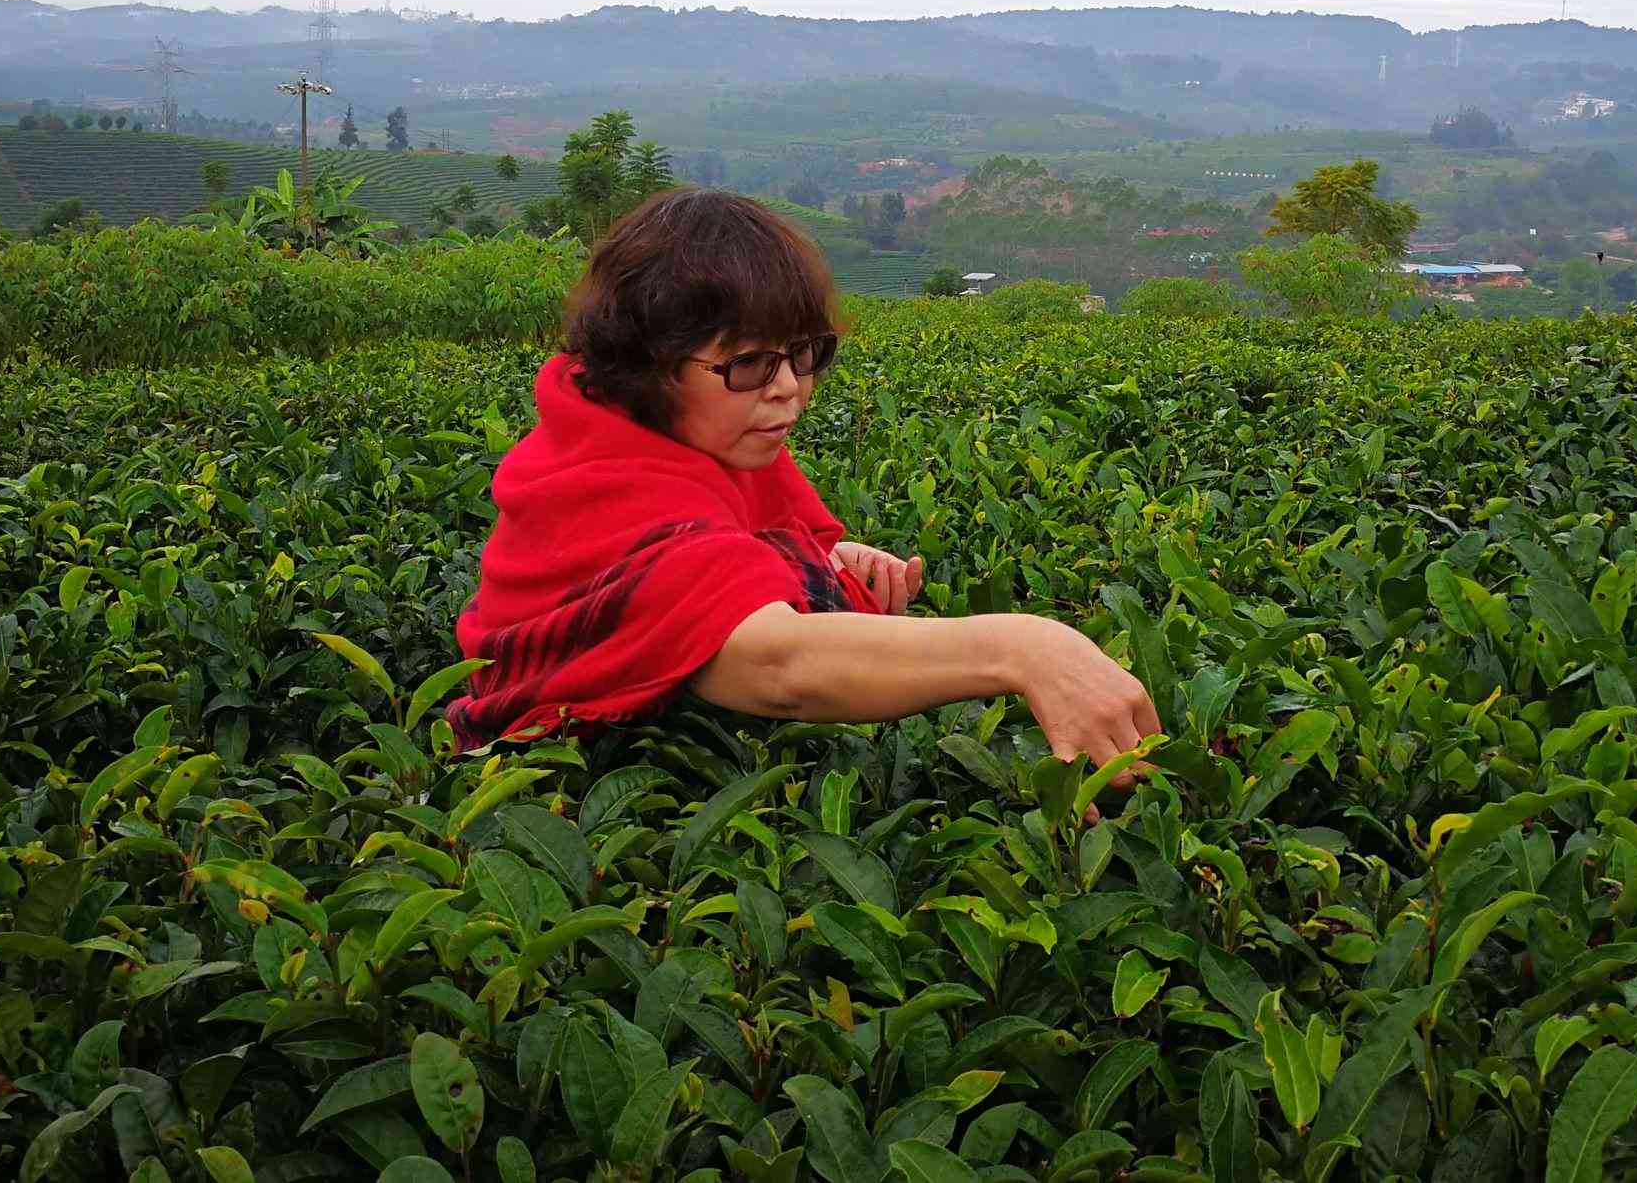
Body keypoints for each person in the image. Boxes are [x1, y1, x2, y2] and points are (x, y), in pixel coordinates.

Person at [449, 189, 1159, 767]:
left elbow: (738, 556)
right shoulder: (610, 490)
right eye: (749, 364)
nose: (789, 387)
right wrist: (1025, 647)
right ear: (645, 364)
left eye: (805, 354)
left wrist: (817, 562)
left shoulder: (687, 440)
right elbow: (772, 666)